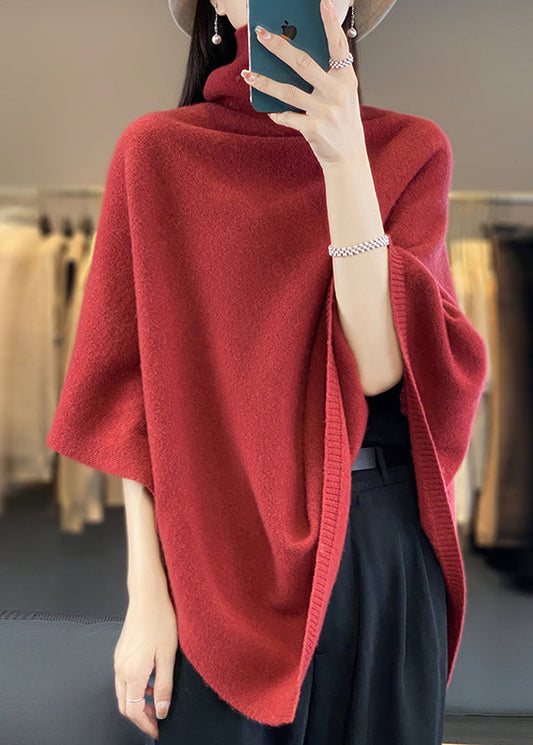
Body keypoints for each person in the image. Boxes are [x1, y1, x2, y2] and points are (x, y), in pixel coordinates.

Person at [46, 0, 489, 742]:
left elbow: (380, 372)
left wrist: (344, 161)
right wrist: (145, 596)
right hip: (214, 560)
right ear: (217, 4)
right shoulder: (156, 155)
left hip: (376, 549)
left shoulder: (410, 150)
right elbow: (137, 399)